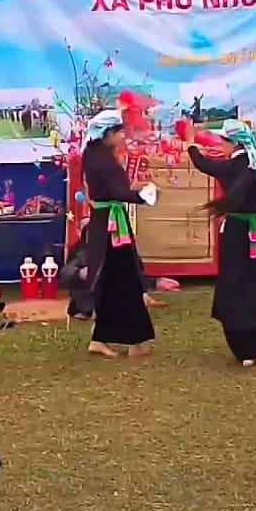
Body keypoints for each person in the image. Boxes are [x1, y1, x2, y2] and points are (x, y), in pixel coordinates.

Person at [186, 116, 256, 366]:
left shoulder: (230, 167)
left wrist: (191, 143)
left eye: (221, 141)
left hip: (237, 233)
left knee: (237, 284)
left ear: (231, 144)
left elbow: (203, 163)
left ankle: (248, 346)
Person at [80, 109, 156, 358]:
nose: (123, 136)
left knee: (113, 280)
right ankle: (135, 339)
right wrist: (144, 196)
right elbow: (118, 191)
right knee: (124, 279)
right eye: (119, 131)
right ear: (108, 133)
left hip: (107, 223)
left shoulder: (95, 154)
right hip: (111, 226)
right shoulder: (101, 159)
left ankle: (103, 338)